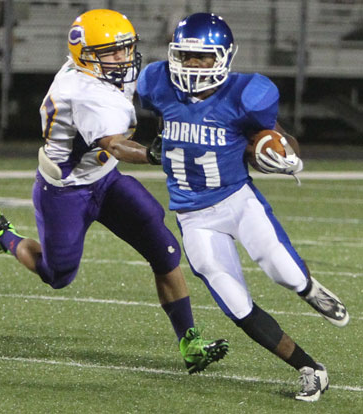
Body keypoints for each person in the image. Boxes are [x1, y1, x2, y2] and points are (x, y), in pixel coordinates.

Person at [0, 9, 229, 375]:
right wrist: (152, 153)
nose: (123, 59)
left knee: (164, 250)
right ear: (85, 54)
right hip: (65, 191)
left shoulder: (96, 72)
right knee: (57, 275)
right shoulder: (82, 92)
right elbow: (114, 144)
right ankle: (4, 235)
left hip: (105, 180)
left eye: (126, 49)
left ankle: (190, 341)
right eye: (113, 53)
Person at [136, 12, 349, 402]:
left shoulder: (246, 94)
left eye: (203, 58)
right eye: (186, 56)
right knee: (235, 303)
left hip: (236, 200)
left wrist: (288, 158)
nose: (193, 66)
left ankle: (309, 289)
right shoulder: (157, 84)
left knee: (282, 270)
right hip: (193, 216)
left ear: (223, 57)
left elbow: (282, 139)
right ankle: (309, 368)